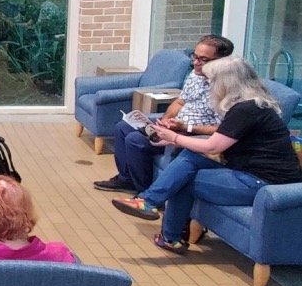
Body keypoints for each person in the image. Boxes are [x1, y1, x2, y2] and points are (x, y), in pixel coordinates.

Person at [112, 56, 302, 253]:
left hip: (262, 183)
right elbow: (223, 141)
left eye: (211, 82)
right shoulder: (251, 105)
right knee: (190, 158)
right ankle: (153, 211)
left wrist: (175, 138)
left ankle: (162, 224)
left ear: (226, 83)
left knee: (183, 180)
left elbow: (213, 147)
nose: (209, 87)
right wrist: (170, 140)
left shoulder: (245, 110)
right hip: (247, 171)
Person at [94, 34, 233, 194]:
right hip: (175, 127)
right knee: (122, 127)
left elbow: (223, 129)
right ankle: (126, 179)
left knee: (135, 140)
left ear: (221, 61)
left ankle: (145, 193)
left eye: (203, 60)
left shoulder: (227, 89)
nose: (196, 62)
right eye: (194, 56)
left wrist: (187, 127)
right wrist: (165, 120)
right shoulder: (195, 75)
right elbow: (180, 102)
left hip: (192, 136)